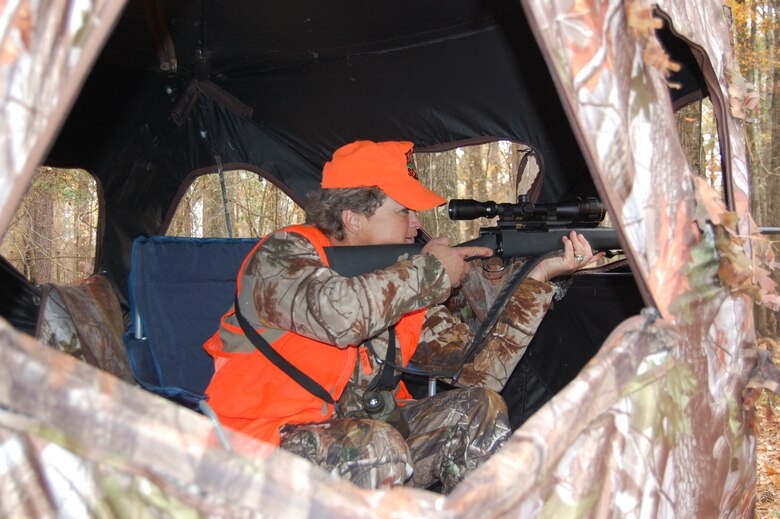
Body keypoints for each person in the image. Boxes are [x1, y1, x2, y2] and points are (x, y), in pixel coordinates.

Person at [203, 140, 602, 493]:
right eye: (403, 211)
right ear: (352, 216)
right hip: (260, 448)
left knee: (478, 407)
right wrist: (430, 274)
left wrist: (540, 277)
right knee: (377, 447)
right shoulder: (281, 256)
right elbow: (339, 315)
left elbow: (483, 370)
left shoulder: (400, 282)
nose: (416, 224)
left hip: (363, 434)